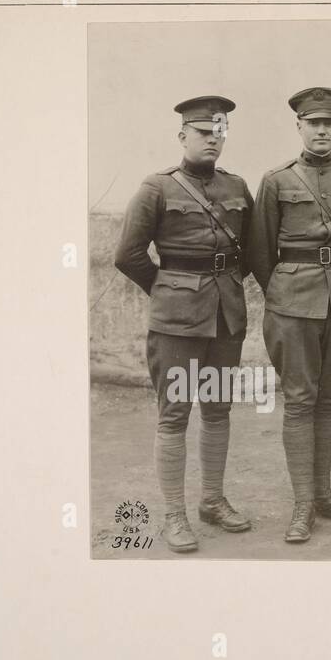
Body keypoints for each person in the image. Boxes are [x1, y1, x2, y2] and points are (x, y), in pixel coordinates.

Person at [113, 95, 254, 553]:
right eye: (203, 133)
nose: (213, 140)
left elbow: (248, 253)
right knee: (175, 415)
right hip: (176, 323)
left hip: (225, 318)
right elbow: (127, 255)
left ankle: (212, 500)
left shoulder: (237, 187)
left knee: (217, 409)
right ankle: (174, 513)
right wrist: (169, 288)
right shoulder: (157, 187)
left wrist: (220, 287)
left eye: (219, 132)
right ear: (182, 137)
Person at [249, 87, 331, 543]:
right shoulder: (277, 180)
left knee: (329, 401)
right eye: (313, 123)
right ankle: (302, 503)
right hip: (292, 305)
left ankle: (324, 493)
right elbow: (261, 251)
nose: (321, 130)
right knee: (301, 401)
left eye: (329, 123)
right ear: (299, 126)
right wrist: (283, 295)